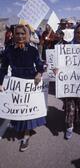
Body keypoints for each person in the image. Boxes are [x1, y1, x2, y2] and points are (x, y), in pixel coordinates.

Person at [0, 24, 46, 152]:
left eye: (22, 33)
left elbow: (40, 65)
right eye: (17, 33)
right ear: (13, 35)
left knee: (27, 110)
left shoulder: (32, 50)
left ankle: (26, 135)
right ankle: (22, 129)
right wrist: (0, 82)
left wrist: (39, 73)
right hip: (15, 83)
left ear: (27, 35)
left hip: (29, 83)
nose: (20, 36)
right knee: (18, 108)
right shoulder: (8, 50)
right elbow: (3, 68)